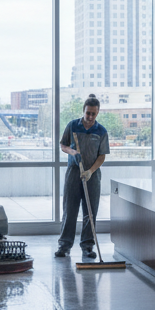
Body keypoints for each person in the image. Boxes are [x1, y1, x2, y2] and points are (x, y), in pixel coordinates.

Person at [57, 95, 109, 258]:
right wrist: (73, 152)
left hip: (92, 174)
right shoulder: (72, 126)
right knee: (70, 209)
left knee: (90, 211)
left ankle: (87, 246)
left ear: (98, 112)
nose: (90, 117)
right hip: (73, 171)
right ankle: (64, 246)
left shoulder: (101, 131)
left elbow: (102, 156)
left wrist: (90, 171)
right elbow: (63, 145)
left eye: (94, 114)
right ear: (83, 111)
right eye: (88, 113)